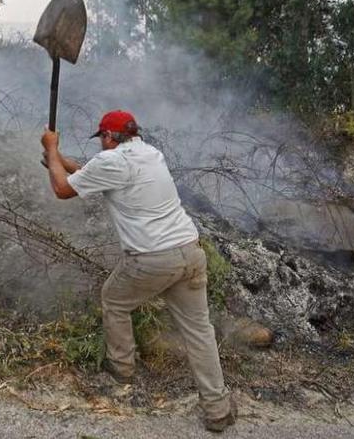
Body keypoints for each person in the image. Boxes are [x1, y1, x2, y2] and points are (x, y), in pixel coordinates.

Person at [40, 110, 236, 432]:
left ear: (107, 137)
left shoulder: (112, 162)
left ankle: (122, 370)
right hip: (190, 252)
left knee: (114, 300)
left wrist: (50, 148)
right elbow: (90, 174)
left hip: (152, 259)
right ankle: (218, 409)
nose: (101, 146)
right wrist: (58, 159)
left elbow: (62, 190)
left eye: (101, 139)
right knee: (200, 332)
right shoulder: (150, 154)